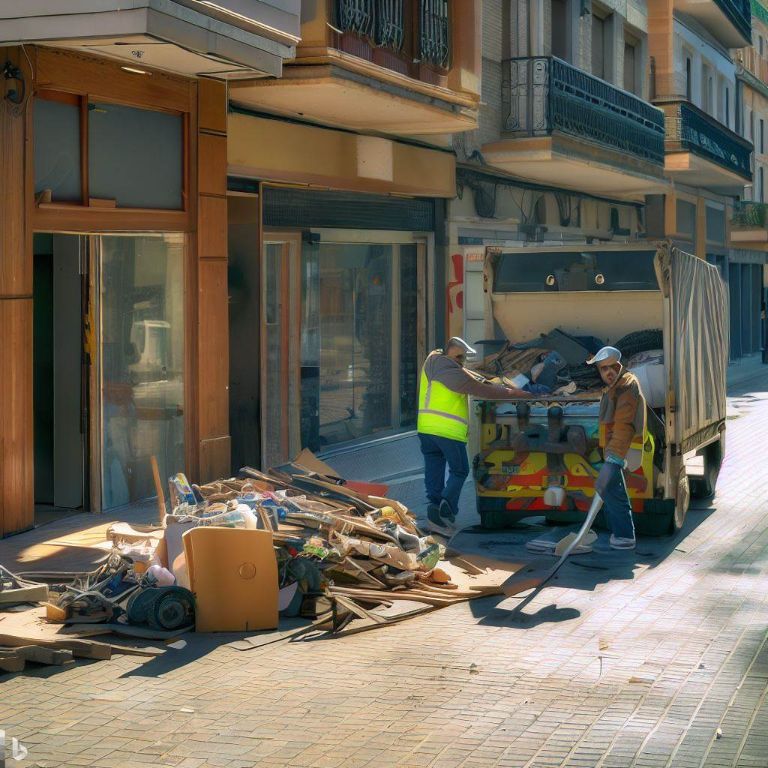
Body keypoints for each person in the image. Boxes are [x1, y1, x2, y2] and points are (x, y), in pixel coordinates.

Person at [417, 337, 529, 535]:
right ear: (448, 353)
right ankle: (447, 507)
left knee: (434, 470)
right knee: (460, 470)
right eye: (458, 357)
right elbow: (480, 389)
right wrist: (515, 394)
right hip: (447, 430)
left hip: (426, 429)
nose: (461, 361)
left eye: (463, 358)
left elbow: (469, 377)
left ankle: (435, 514)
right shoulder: (450, 371)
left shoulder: (432, 361)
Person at [587, 346, 647, 550]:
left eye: (613, 367)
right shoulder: (617, 385)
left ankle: (624, 535)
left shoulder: (626, 386)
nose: (609, 372)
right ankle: (623, 535)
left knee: (611, 489)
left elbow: (623, 425)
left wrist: (613, 459)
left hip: (623, 449)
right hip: (618, 449)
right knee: (614, 491)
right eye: (604, 369)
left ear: (620, 365)